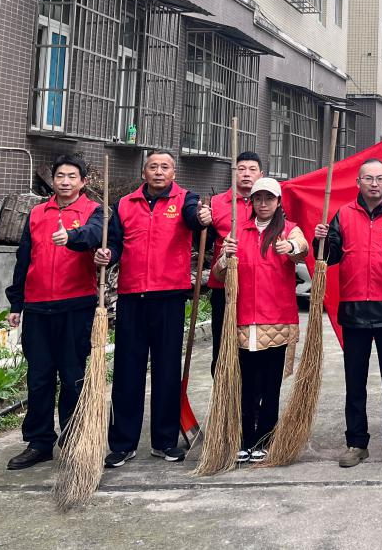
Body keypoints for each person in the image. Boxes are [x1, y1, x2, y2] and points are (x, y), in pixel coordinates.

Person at [104, 149, 212, 467]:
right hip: (131, 296)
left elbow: (193, 219)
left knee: (166, 370)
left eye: (165, 167)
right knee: (127, 371)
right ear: (144, 173)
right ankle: (123, 443)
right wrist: (107, 255)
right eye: (153, 167)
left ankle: (165, 441)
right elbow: (114, 243)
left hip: (169, 296)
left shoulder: (186, 200)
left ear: (173, 173)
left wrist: (201, 218)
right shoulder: (124, 204)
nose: (159, 172)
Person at [4, 154, 112, 470]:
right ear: (53, 180)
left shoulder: (94, 212)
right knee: (39, 377)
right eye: (60, 176)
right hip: (38, 306)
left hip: (75, 305)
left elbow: (94, 235)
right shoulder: (38, 213)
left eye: (72, 176)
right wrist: (16, 303)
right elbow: (24, 258)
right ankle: (39, 442)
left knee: (72, 375)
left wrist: (72, 237)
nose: (65, 181)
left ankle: (73, 437)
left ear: (83, 182)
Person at [315, 158, 382, 468]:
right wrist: (321, 240)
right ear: (358, 182)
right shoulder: (344, 214)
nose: (374, 184)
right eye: (368, 179)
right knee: (355, 382)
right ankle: (356, 443)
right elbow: (330, 257)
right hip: (354, 310)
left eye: (380, 178)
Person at [211, 176, 308, 464]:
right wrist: (225, 258)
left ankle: (266, 438)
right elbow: (218, 274)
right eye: (258, 198)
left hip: (277, 318)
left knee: (271, 384)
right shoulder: (238, 231)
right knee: (246, 384)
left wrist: (291, 248)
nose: (263, 203)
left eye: (269, 198)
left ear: (278, 202)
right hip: (243, 318)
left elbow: (302, 249)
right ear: (252, 202)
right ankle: (245, 438)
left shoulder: (289, 230)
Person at [208, 151, 265, 372]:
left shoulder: (269, 203)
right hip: (224, 288)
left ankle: (251, 392)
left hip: (258, 288)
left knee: (253, 349)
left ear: (261, 174)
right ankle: (224, 389)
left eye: (252, 170)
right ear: (233, 173)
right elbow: (201, 242)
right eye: (241, 169)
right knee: (222, 347)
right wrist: (201, 222)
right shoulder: (216, 203)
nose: (246, 174)